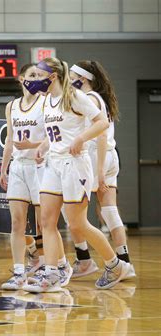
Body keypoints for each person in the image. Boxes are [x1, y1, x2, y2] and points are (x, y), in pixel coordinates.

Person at [23, 58, 130, 293]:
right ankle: (52, 273)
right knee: (47, 221)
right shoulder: (46, 101)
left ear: (52, 77)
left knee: (78, 224)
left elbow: (102, 122)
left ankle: (115, 264)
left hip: (76, 165)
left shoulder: (76, 97)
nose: (33, 80)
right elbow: (57, 133)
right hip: (55, 164)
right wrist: (44, 146)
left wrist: (81, 139)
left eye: (37, 75)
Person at [68, 60, 135, 279]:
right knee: (108, 211)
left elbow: (102, 135)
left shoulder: (88, 99)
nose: (68, 80)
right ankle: (124, 262)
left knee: (72, 210)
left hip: (98, 156)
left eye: (71, 76)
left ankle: (84, 257)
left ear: (83, 79)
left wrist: (98, 171)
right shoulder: (99, 97)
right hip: (109, 157)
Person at [0, 63, 49, 290]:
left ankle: (50, 268)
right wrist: (3, 167)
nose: (36, 78)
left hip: (40, 166)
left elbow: (54, 137)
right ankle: (19, 271)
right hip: (18, 165)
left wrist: (34, 146)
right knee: (17, 222)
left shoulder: (46, 103)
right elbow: (9, 139)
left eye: (39, 75)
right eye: (32, 75)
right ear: (21, 78)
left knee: (43, 223)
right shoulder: (11, 106)